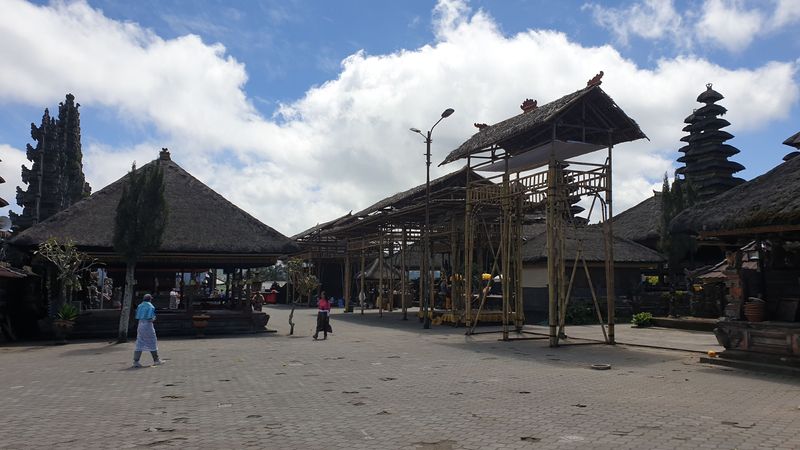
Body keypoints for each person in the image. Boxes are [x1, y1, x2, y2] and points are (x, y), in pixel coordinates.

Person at [132, 294, 163, 368]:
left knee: (139, 342)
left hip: (140, 325)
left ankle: (136, 361)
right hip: (147, 325)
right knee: (152, 341)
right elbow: (150, 318)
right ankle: (156, 360)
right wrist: (154, 318)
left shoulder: (139, 306)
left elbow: (137, 316)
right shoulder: (151, 306)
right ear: (150, 299)